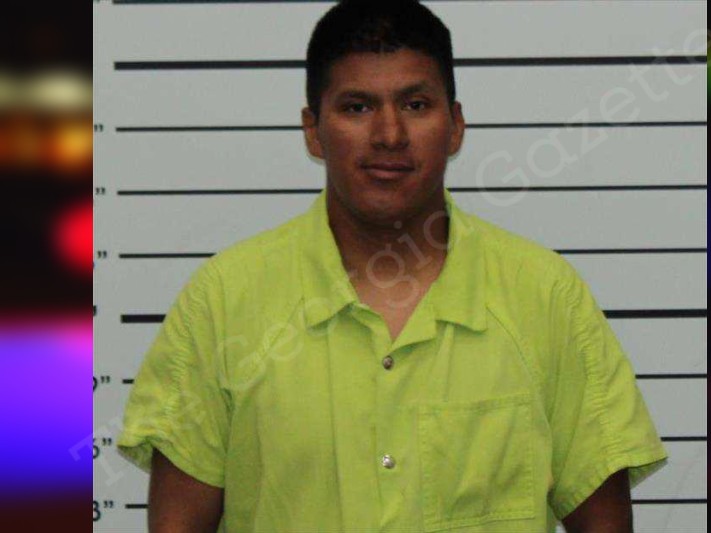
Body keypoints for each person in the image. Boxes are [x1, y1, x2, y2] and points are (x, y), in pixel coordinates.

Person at [116, 1, 668, 531]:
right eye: (357, 107)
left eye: (416, 105)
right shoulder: (223, 302)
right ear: (313, 130)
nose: (389, 135)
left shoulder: (545, 297)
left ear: (455, 126)